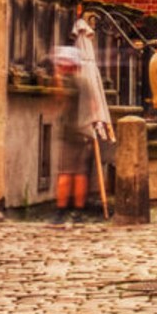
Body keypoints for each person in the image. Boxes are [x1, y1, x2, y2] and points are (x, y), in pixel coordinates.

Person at [53, 21, 112, 224]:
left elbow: (61, 100)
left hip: (71, 132)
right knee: (80, 174)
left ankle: (61, 211)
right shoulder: (86, 80)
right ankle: (78, 210)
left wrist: (57, 80)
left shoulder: (69, 81)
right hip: (87, 130)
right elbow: (95, 105)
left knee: (66, 173)